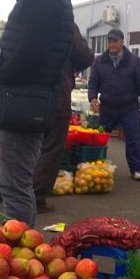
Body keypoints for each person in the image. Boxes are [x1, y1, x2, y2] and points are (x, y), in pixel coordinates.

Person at [0, 0, 74, 227]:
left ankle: (18, 253)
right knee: (17, 184)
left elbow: (27, 55)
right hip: (27, 102)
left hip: (22, 105)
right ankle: (21, 248)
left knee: (14, 187)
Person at [33, 23, 94, 212]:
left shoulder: (26, 18)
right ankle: (36, 197)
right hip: (56, 94)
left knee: (29, 146)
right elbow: (85, 56)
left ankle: (20, 193)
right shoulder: (65, 22)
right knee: (51, 148)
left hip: (26, 96)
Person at [88, 29, 140, 181]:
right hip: (107, 107)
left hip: (128, 107)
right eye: (110, 41)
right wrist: (92, 98)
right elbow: (93, 82)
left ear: (122, 42)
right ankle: (94, 165)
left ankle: (135, 169)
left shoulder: (134, 61)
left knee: (132, 138)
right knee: (100, 137)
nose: (112, 44)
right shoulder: (100, 61)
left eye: (115, 41)